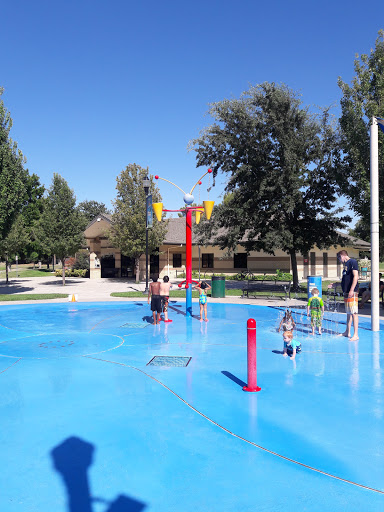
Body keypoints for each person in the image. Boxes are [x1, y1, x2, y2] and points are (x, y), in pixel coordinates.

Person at [337, 250, 359, 341]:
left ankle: (356, 334)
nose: (339, 260)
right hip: (347, 292)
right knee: (348, 313)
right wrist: (335, 284)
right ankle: (347, 331)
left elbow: (355, 276)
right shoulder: (345, 266)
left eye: (339, 258)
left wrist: (351, 290)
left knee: (354, 313)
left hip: (352, 292)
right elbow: (345, 280)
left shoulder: (352, 262)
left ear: (342, 256)